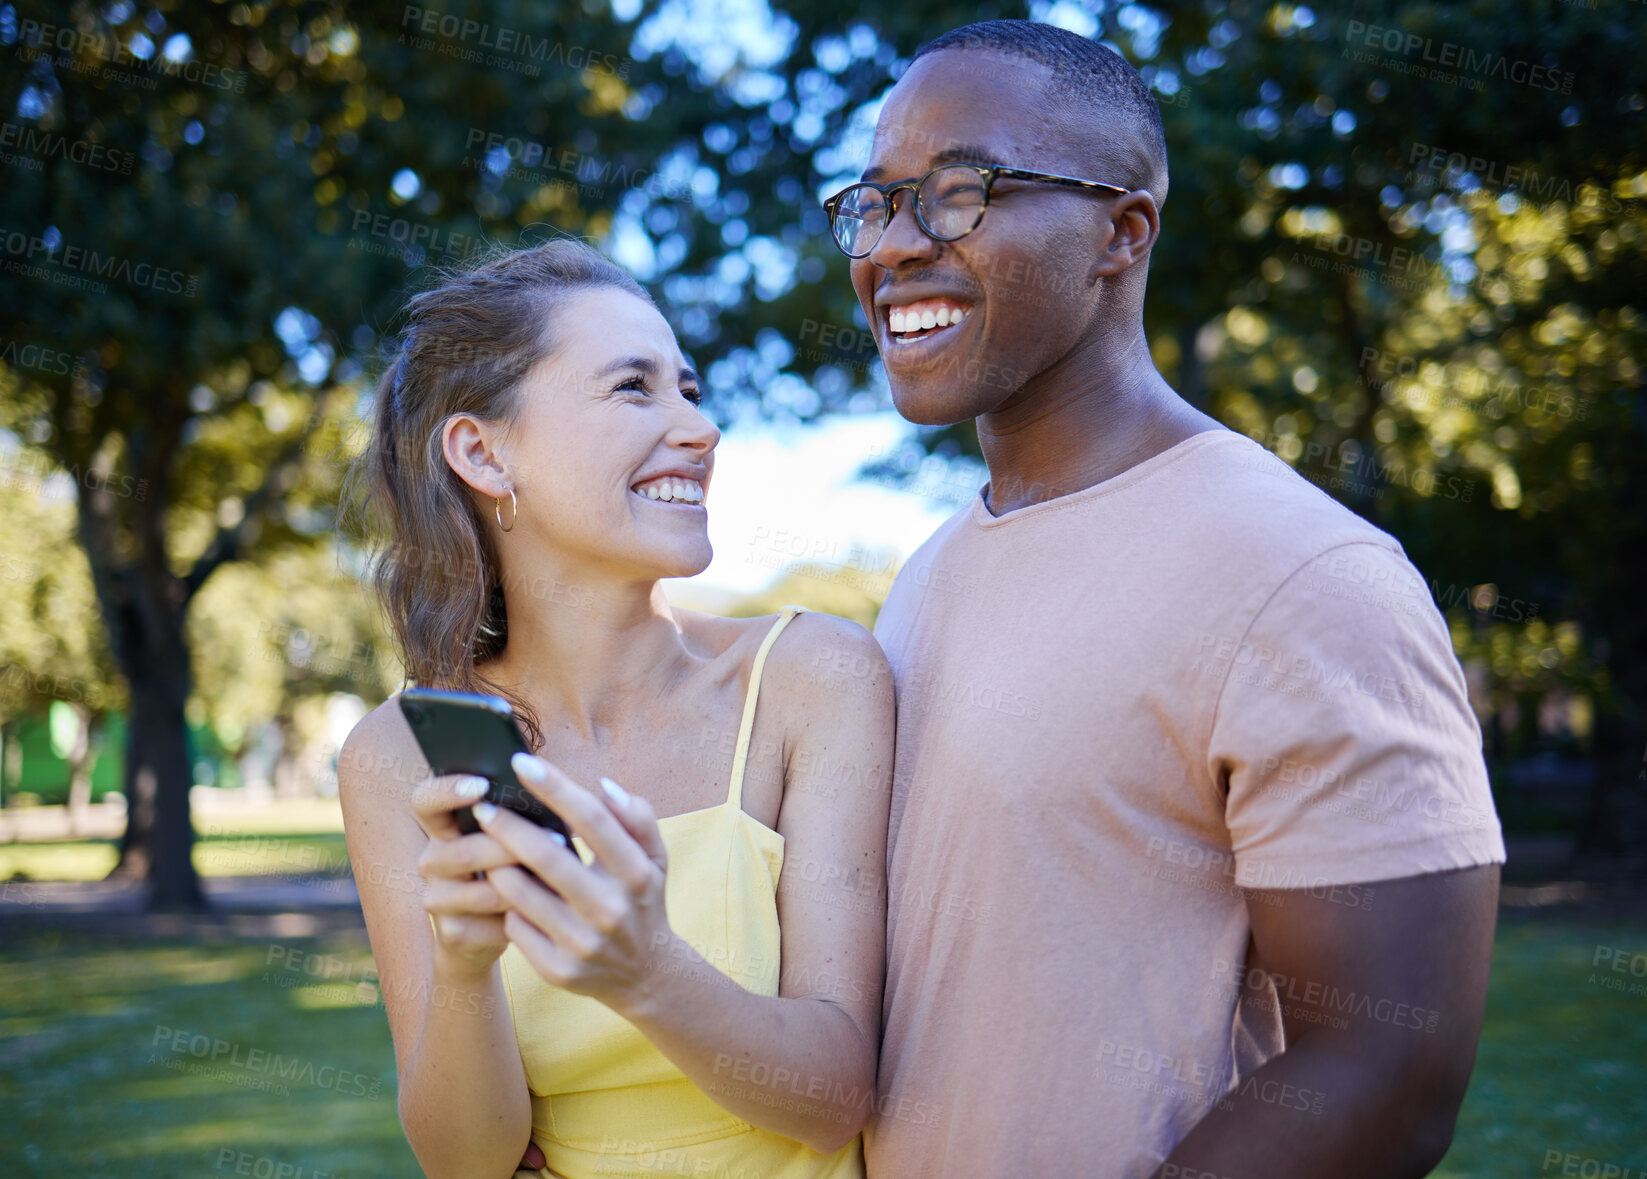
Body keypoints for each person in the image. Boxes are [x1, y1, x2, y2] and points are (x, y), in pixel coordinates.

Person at [820, 20, 1506, 1179]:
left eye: (958, 192)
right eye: (877, 201)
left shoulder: (1304, 575)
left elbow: (1386, 1073)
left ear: (1120, 231)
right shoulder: (932, 570)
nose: (894, 245)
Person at [336, 239, 892, 1179]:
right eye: (633, 388)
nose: (700, 429)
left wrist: (649, 972)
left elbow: (837, 1098)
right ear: (482, 450)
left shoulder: (813, 676)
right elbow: (465, 1161)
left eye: (689, 387)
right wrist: (466, 967)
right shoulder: (394, 755)